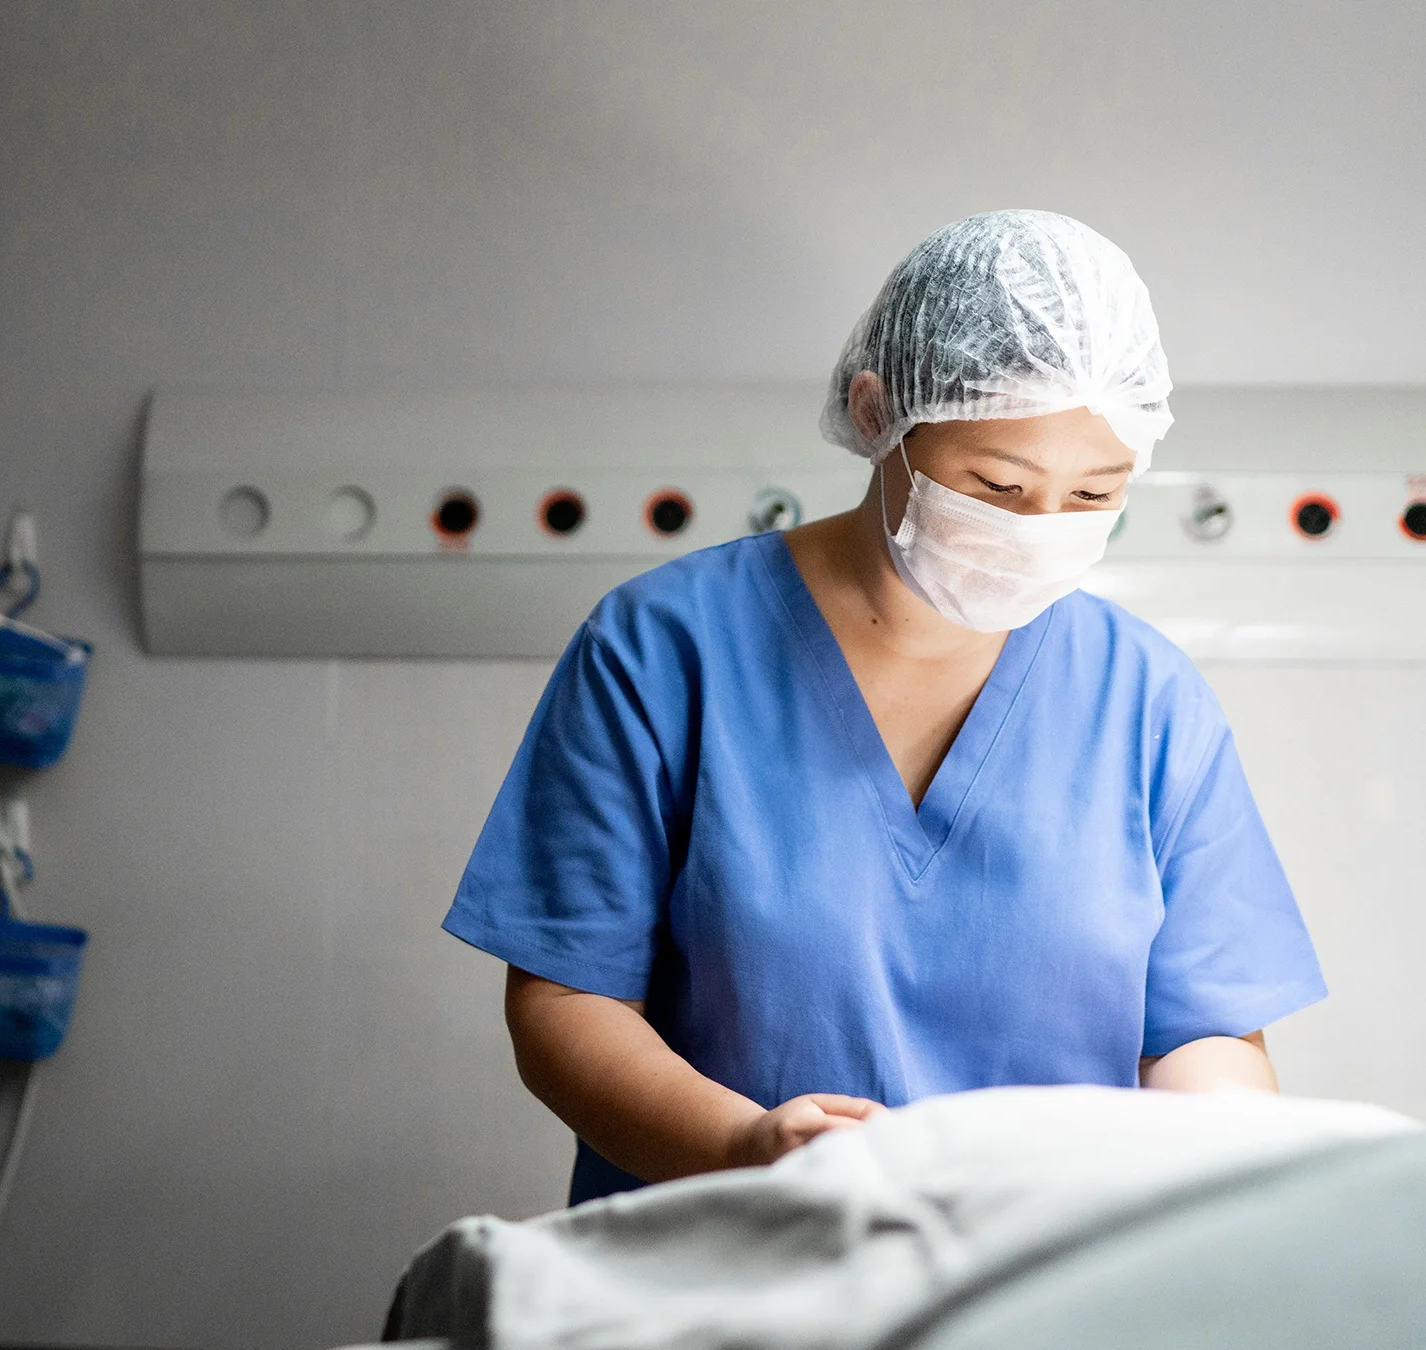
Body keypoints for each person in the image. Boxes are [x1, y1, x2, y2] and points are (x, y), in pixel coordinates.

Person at [441, 210, 1328, 1206]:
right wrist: (749, 1149)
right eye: (997, 484)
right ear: (879, 416)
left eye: (1092, 496)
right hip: (722, 1271)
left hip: (1029, 1279)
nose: (1041, 529)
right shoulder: (664, 652)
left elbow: (1204, 1032)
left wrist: (1229, 1164)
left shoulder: (1148, 701)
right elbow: (569, 1002)